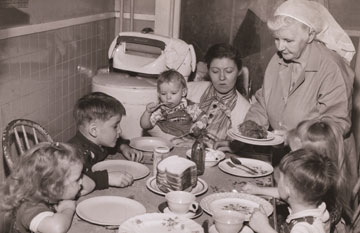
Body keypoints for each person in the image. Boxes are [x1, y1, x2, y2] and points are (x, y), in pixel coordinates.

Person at [241, 0, 357, 177]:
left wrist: (293, 137)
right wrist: (250, 126)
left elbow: (335, 126)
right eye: (277, 39)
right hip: (287, 162)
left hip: (323, 170)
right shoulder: (278, 60)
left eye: (288, 40)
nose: (280, 47)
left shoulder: (331, 68)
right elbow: (263, 101)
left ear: (310, 35)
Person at [248, 149, 338, 233]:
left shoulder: (303, 228)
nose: (278, 182)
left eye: (280, 178)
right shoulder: (314, 204)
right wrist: (257, 190)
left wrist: (263, 228)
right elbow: (282, 192)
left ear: (287, 190)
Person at [0, 142, 83, 233]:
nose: (81, 182)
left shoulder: (48, 194)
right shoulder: (29, 207)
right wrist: (68, 208)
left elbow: (89, 186)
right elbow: (56, 228)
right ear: (54, 187)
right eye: (77, 179)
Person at [68, 92, 141, 190]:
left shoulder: (99, 141)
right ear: (94, 130)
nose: (120, 130)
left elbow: (112, 144)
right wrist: (106, 179)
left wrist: (123, 147)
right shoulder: (74, 153)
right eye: (115, 126)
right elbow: (71, 181)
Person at [140, 69, 205, 137]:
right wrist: (147, 112)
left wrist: (198, 126)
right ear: (158, 94)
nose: (168, 97)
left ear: (183, 92)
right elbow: (145, 126)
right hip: (167, 137)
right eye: (163, 93)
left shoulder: (189, 106)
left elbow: (203, 117)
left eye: (173, 93)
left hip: (187, 137)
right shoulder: (160, 110)